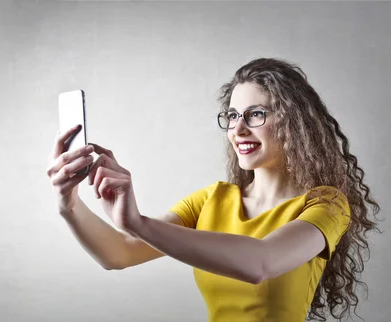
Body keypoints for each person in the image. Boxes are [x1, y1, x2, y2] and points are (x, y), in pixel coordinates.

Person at [45, 58, 380, 322]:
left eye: (256, 114)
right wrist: (68, 203)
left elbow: (259, 263)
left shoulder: (327, 204)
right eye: (232, 116)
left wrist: (139, 223)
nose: (238, 129)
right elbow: (118, 253)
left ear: (295, 122)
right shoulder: (212, 200)